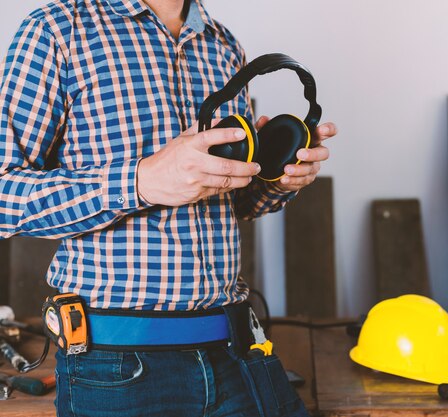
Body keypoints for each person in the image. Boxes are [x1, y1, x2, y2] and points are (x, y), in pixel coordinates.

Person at [0, 0, 337, 415]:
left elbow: (234, 200)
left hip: (235, 350)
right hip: (116, 369)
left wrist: (281, 180)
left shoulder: (223, 44)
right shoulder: (56, 31)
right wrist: (142, 180)